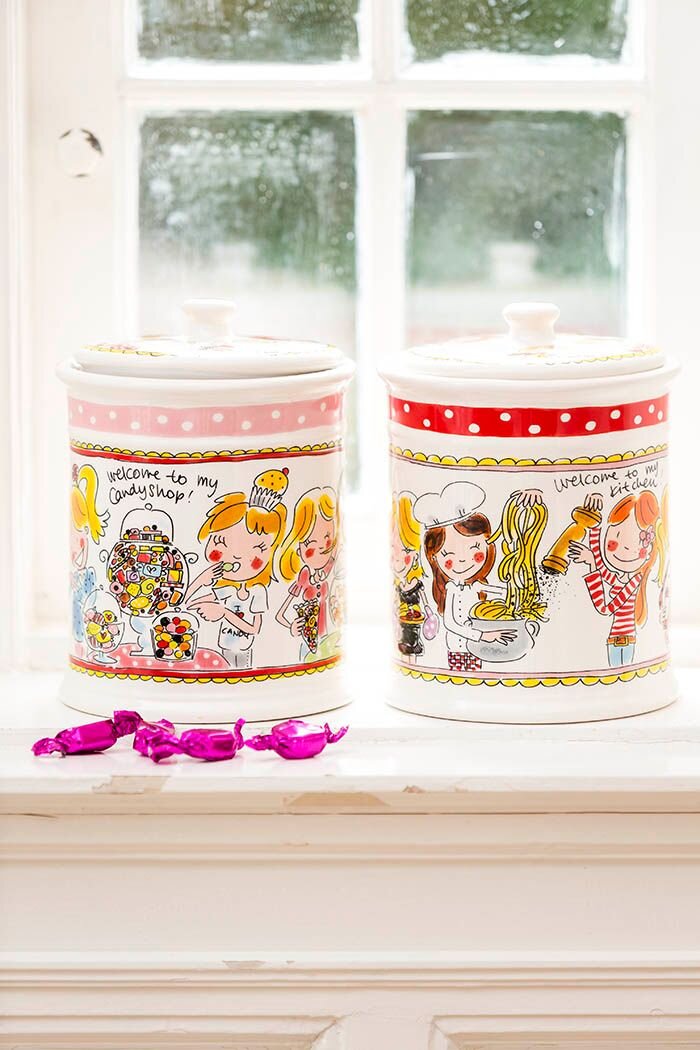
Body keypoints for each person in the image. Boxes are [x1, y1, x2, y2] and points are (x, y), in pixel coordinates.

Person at [186, 469, 289, 670]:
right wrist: (202, 579)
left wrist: (224, 612)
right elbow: (187, 604)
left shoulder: (257, 592)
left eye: (257, 549)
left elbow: (254, 628)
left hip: (244, 652)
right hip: (223, 649)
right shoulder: (226, 590)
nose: (236, 556)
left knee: (241, 672)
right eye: (221, 541)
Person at [569, 490, 660, 667]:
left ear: (648, 550)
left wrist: (592, 564)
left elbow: (605, 608)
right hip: (614, 641)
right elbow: (603, 568)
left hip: (625, 642)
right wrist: (594, 525)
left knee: (620, 674)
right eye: (614, 538)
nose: (621, 548)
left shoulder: (634, 582)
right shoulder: (621, 579)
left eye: (630, 544)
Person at [276, 486, 340, 661]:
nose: (321, 549)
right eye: (311, 544)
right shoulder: (304, 577)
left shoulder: (328, 570)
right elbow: (280, 614)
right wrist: (291, 627)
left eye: (327, 541)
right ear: (298, 548)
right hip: (307, 643)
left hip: (327, 639)